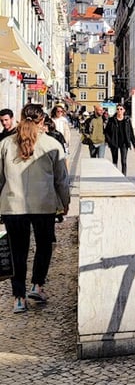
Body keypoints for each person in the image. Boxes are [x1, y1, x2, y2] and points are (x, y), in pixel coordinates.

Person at [0, 103, 70, 313]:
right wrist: (65, 202)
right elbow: (61, 180)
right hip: (44, 204)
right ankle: (37, 285)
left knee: (17, 252)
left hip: (13, 205)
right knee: (44, 246)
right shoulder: (52, 145)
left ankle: (18, 299)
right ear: (42, 121)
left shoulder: (5, 145)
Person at [105, 104, 135, 176]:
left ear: (124, 110)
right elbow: (106, 132)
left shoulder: (127, 120)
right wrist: (109, 141)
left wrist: (134, 144)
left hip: (124, 143)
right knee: (114, 160)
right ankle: (115, 174)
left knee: (123, 161)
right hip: (114, 143)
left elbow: (131, 133)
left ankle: (123, 176)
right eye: (118, 109)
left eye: (121, 109)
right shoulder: (111, 120)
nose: (119, 110)